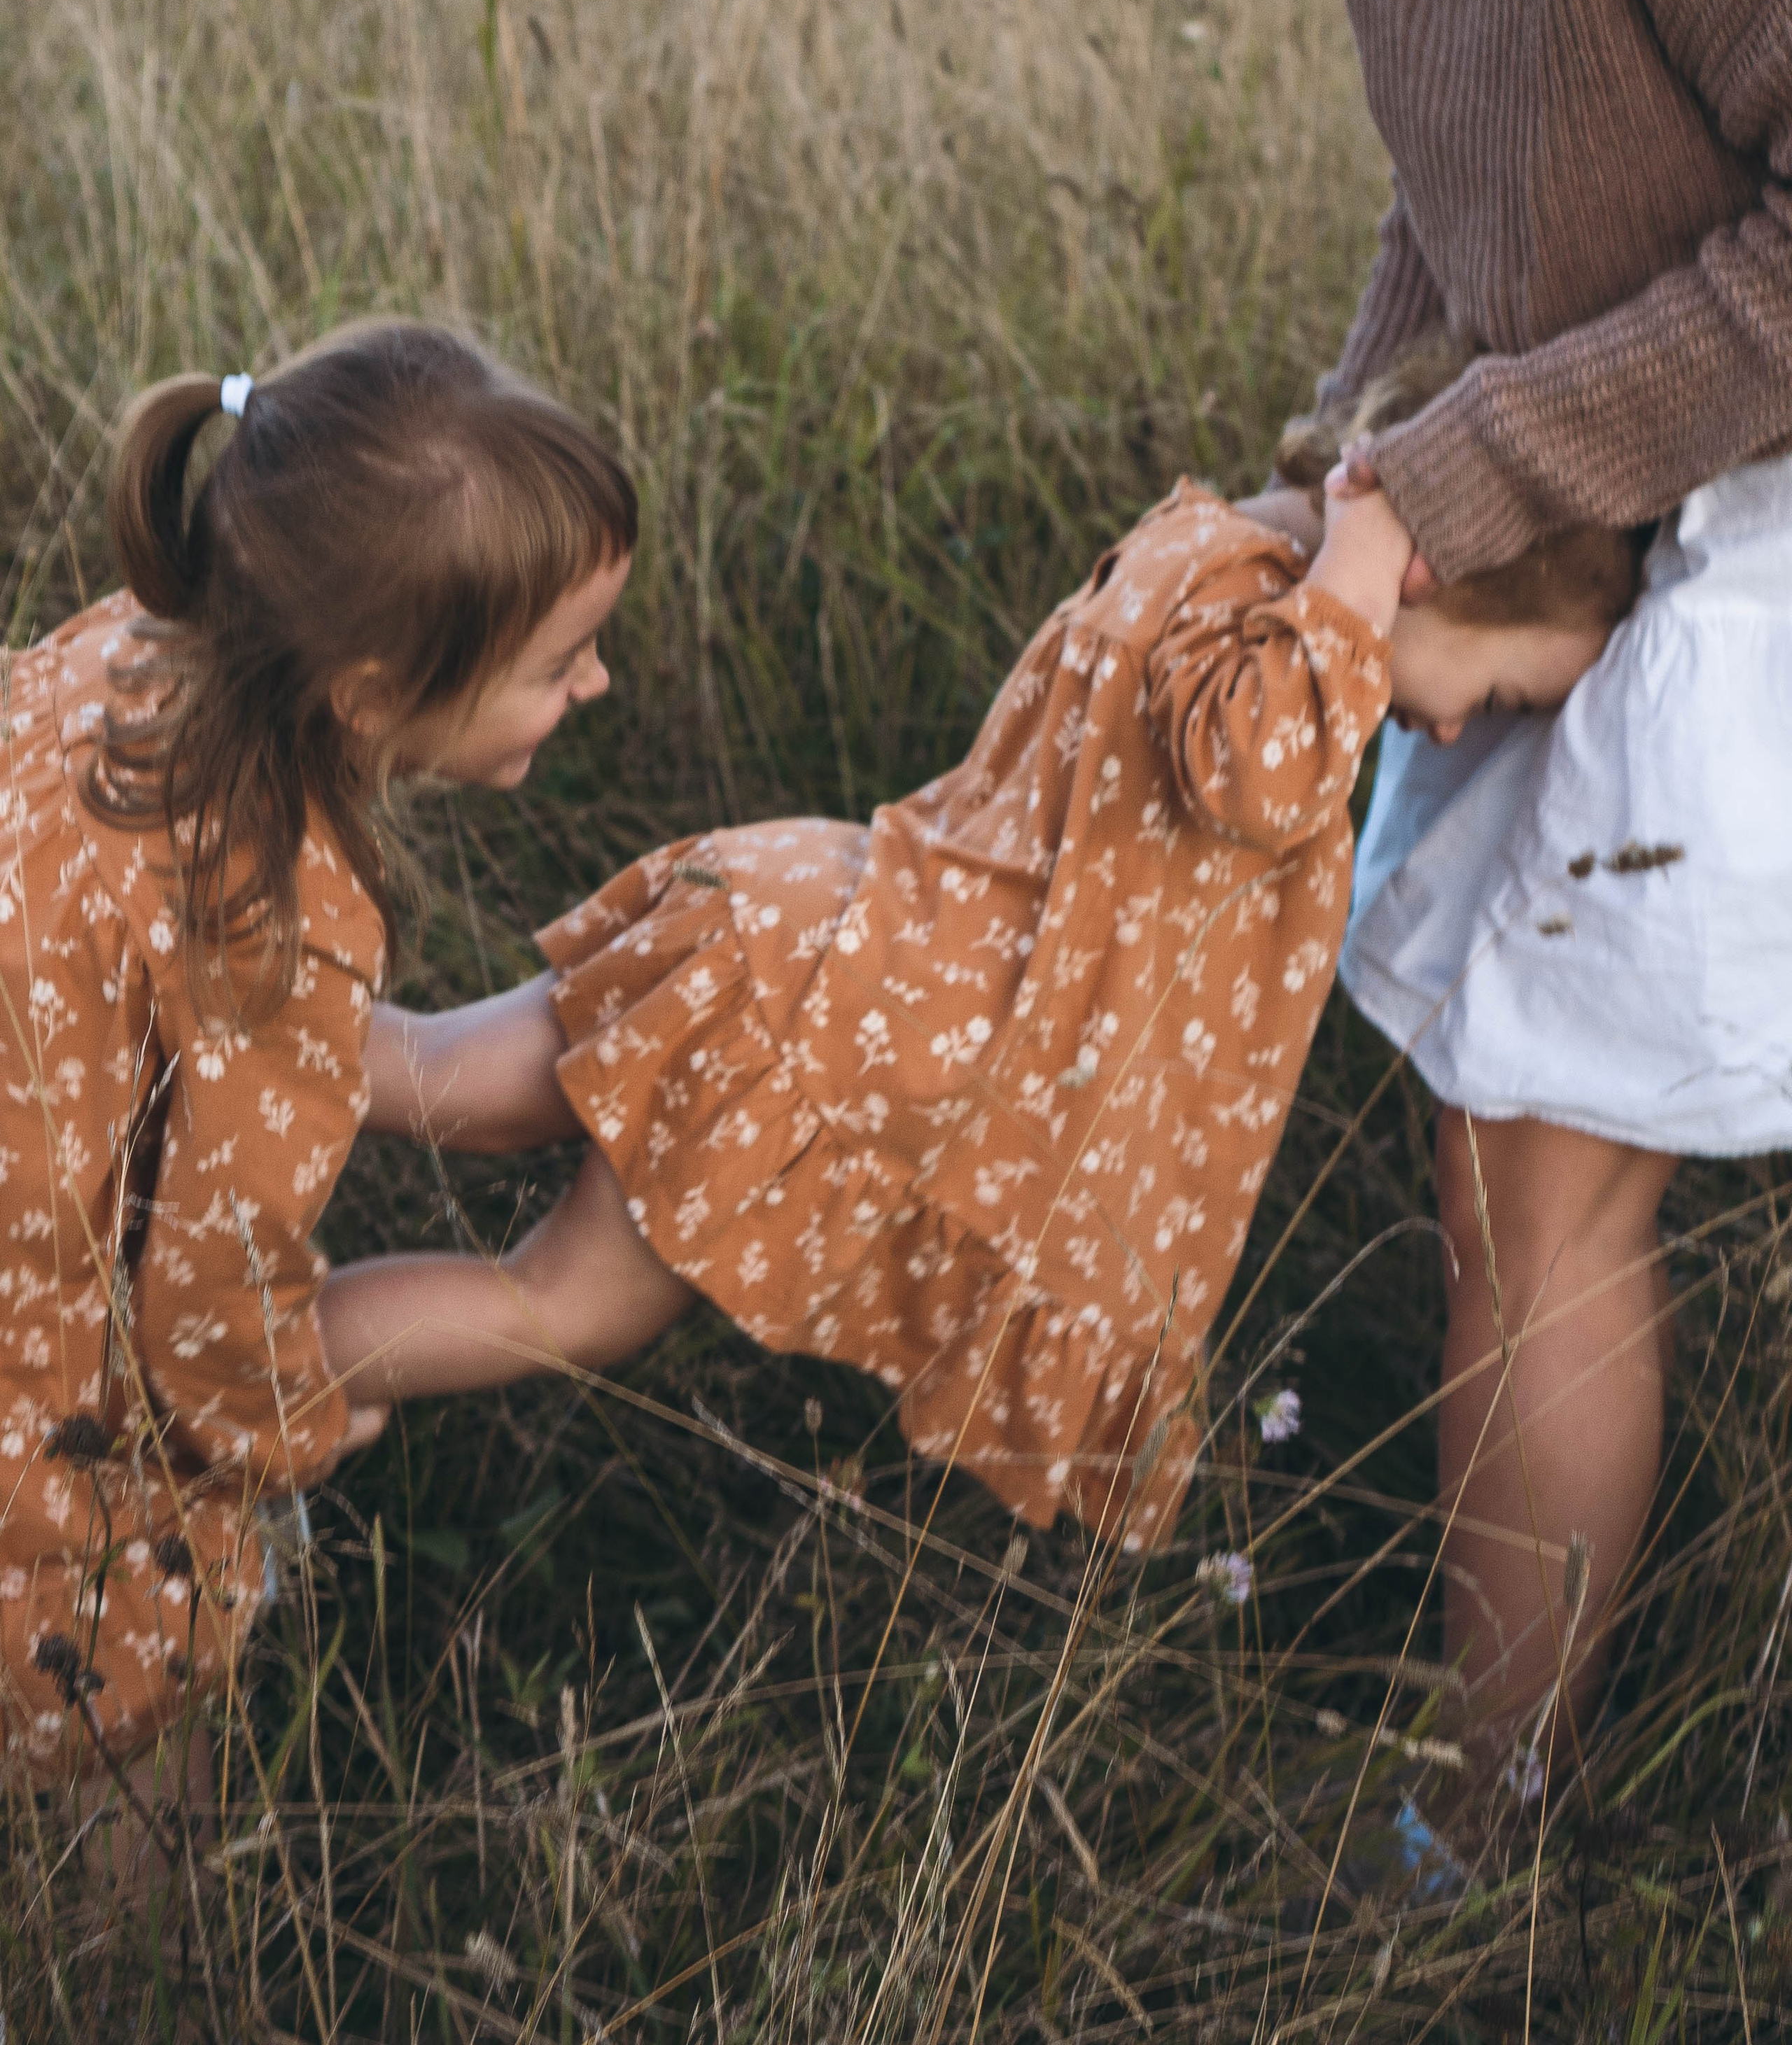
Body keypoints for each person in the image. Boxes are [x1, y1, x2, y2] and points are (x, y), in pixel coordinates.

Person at [1051, 0, 1792, 1748]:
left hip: (1765, 498)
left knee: (1546, 1198)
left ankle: (1491, 1844)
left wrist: (1443, 498)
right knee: (1493, 1165)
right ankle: (1499, 1760)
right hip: (1623, 470)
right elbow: (1471, 146)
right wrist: (1342, 458)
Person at [318, 344, 1639, 1560]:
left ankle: (193, 1055)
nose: (1463, 734)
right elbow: (1256, 772)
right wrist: (1372, 549)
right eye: (1510, 694)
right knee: (559, 1305)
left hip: (808, 924)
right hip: (845, 1041)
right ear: (1425, 572)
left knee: (436, 1080)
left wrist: (1357, 546)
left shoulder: (1211, 548)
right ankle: (222, 1382)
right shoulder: (1292, 660)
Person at [0, 321, 636, 1819]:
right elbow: (206, 1291)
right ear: (366, 691)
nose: (597, 687)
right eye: (559, 664)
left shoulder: (134, 648)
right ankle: (123, 1975)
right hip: (36, 1369)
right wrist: (285, 1421)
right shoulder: (261, 912)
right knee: (124, 1712)